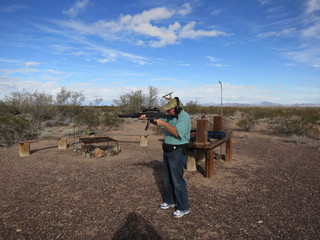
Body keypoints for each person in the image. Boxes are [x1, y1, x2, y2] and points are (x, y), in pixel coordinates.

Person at [142, 97, 191, 218]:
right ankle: (170, 201)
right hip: (168, 150)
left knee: (177, 181)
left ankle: (183, 207)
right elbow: (159, 121)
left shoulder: (184, 117)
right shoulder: (171, 116)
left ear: (177, 108)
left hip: (178, 152)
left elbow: (177, 132)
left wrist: (163, 123)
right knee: (167, 179)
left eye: (170, 110)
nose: (168, 112)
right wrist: (147, 118)